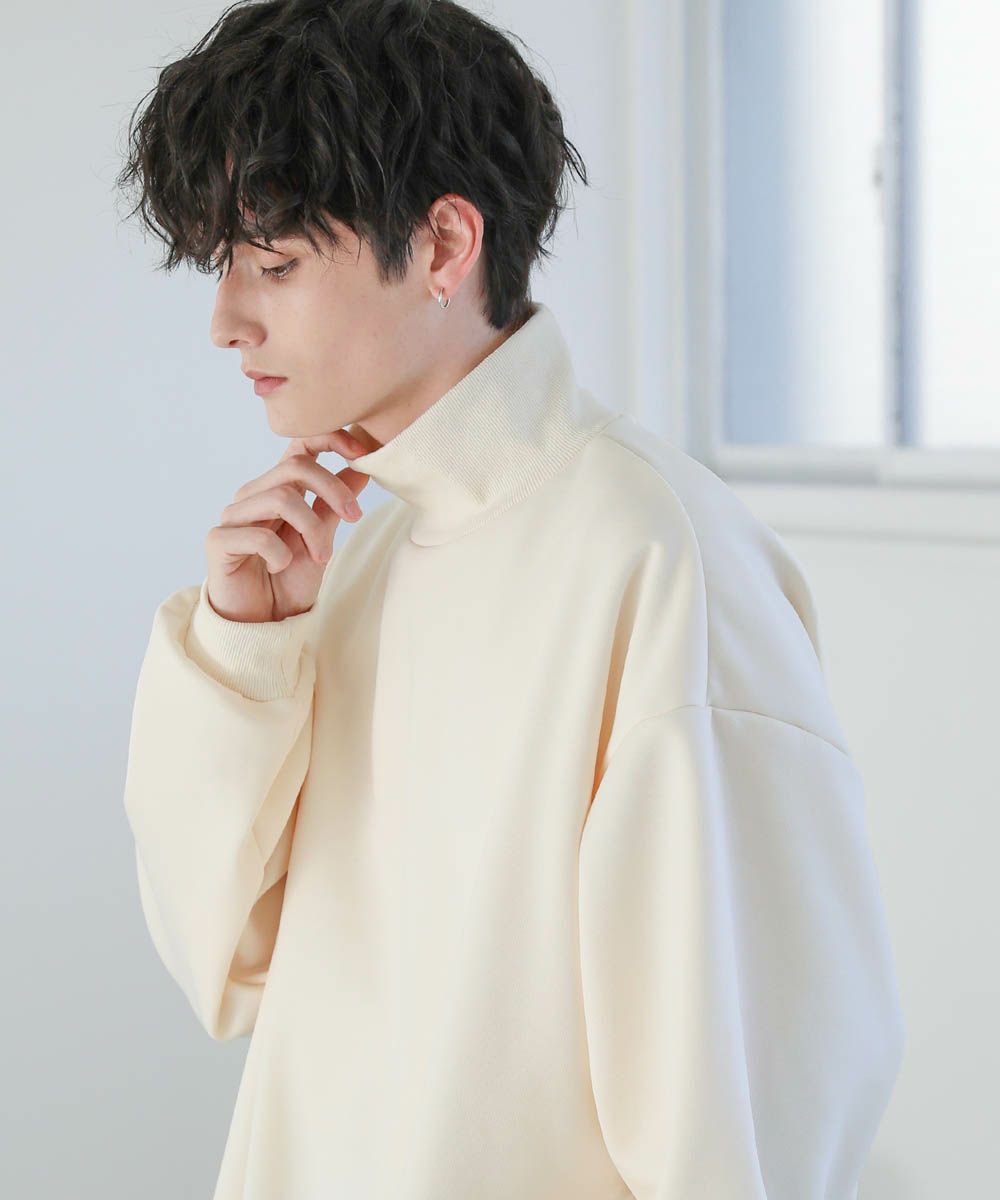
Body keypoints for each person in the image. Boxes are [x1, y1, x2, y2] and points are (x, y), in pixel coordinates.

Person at [117, 2, 906, 1197]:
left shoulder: (655, 556)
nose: (227, 322)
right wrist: (243, 653)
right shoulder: (353, 555)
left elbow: (747, 1114)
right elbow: (226, 967)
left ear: (444, 244)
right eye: (224, 266)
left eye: (273, 265)